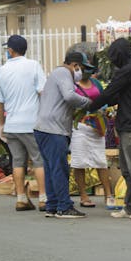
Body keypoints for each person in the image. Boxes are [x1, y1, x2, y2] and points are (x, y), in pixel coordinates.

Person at [88, 38, 131, 220]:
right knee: (127, 170)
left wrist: (90, 106)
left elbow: (110, 92)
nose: (113, 62)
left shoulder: (127, 71)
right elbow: (119, 96)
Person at [34, 52, 92, 218]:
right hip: (53, 130)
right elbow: (69, 96)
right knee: (59, 169)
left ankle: (52, 205)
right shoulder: (63, 72)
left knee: (51, 168)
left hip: (44, 128)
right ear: (75, 65)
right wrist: (88, 103)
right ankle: (64, 207)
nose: (80, 73)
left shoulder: (56, 75)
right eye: (80, 68)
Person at [0, 35, 48, 212]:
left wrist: (1, 125)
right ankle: (43, 198)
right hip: (31, 123)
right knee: (38, 159)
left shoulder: (2, 70)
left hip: (12, 125)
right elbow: (42, 92)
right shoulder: (33, 66)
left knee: (18, 162)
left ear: (10, 51)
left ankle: (21, 198)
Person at [72, 61, 117, 210]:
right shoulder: (73, 84)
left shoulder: (96, 83)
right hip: (80, 126)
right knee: (79, 162)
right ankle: (84, 195)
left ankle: (108, 194)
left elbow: (104, 100)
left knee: (101, 161)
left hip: (97, 128)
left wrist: (105, 111)